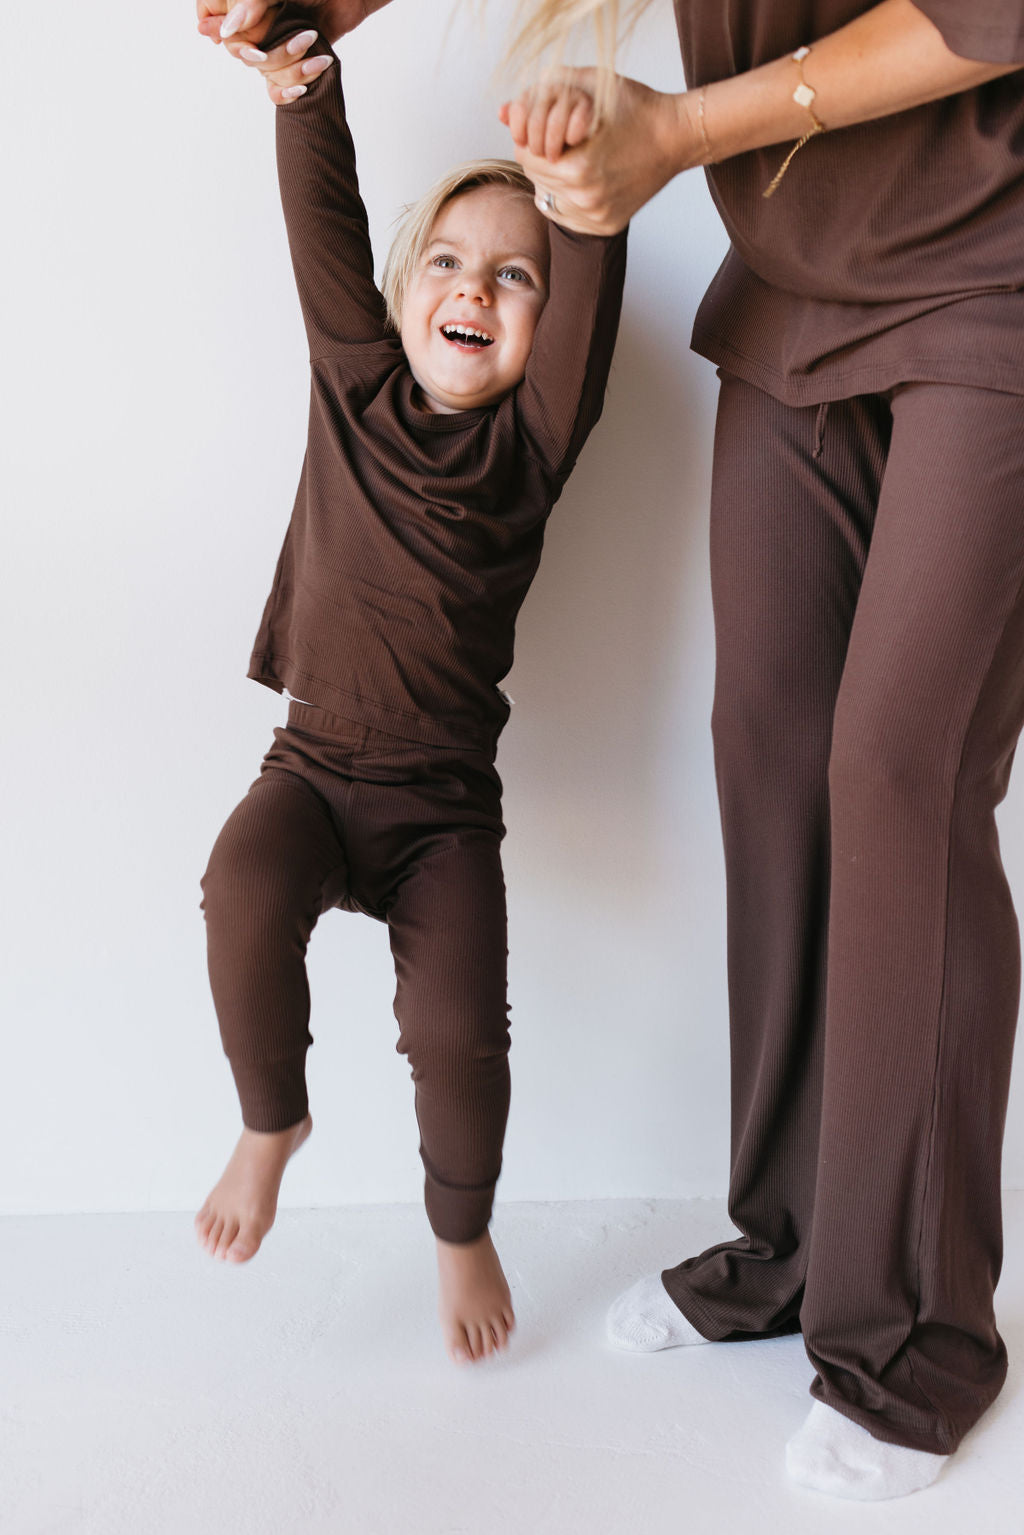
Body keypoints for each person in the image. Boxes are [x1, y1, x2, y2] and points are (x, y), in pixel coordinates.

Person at [499, 0, 1024, 1502]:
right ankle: (797, 1244)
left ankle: (914, 1338)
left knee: (901, 775)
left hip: (995, 269)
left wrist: (676, 131)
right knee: (772, 754)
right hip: (799, 278)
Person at [192, 0, 627, 1368]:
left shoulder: (534, 445)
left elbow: (589, 279)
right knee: (240, 888)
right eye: (447, 262)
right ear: (397, 297)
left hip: (444, 813)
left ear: (543, 329)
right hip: (312, 770)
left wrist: (582, 179)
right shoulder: (356, 384)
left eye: (513, 278)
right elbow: (324, 220)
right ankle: (273, 1121)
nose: (473, 291)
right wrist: (302, 85)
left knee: (458, 1037)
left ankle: (460, 1227)